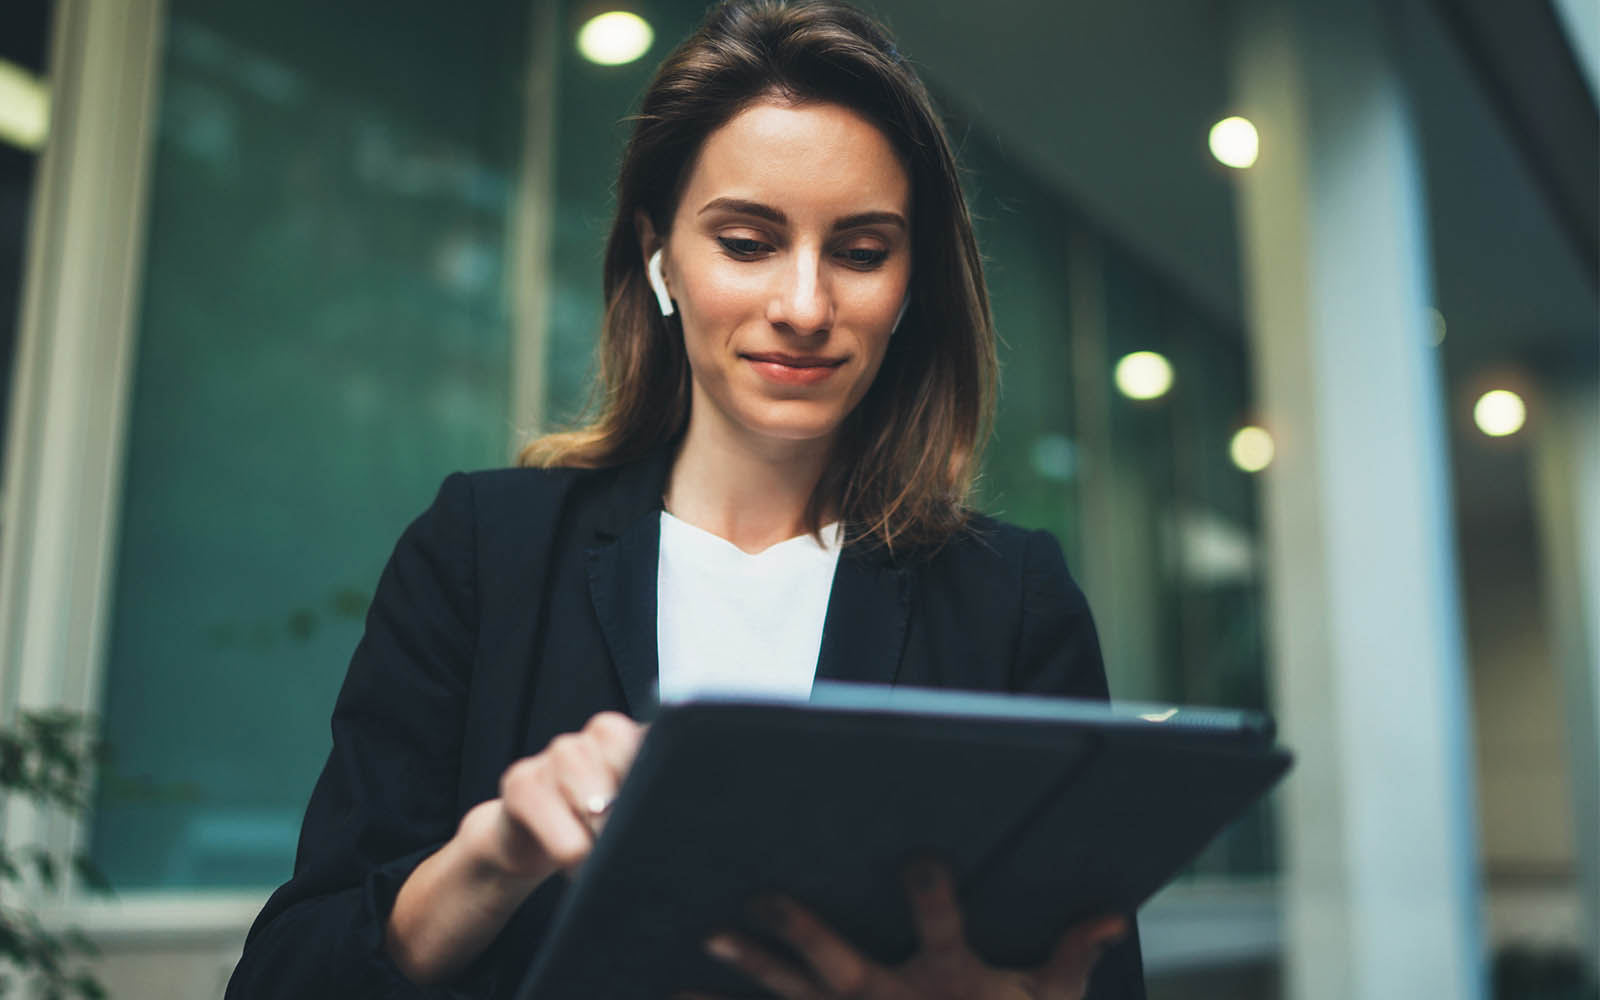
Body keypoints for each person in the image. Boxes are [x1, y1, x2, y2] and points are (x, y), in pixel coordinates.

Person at [226, 1, 1146, 997]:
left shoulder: (1008, 603)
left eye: (861, 250)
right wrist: (489, 857)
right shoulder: (484, 553)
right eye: (748, 242)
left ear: (913, 279)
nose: (803, 307)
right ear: (659, 254)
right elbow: (285, 978)